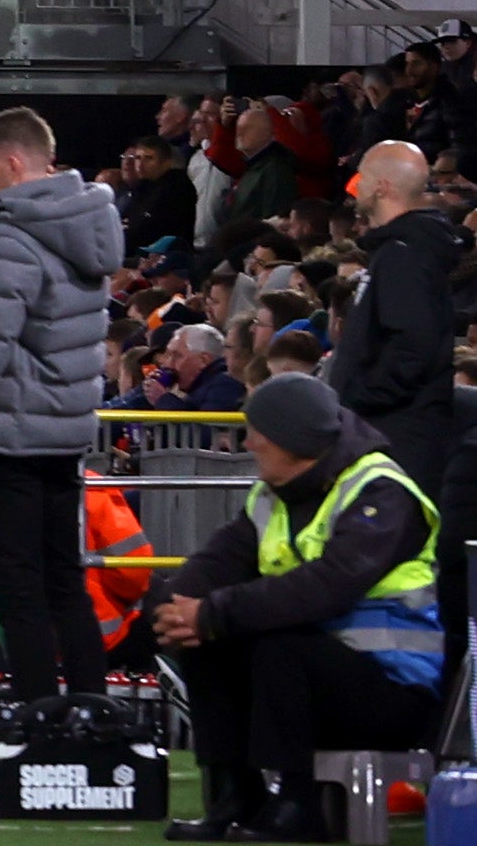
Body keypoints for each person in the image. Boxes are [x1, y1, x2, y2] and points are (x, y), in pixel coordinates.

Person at [152, 374, 445, 842]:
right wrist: (174, 607)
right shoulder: (274, 493)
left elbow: (326, 588)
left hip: (393, 688)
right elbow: (218, 560)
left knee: (277, 646)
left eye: (257, 435)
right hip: (319, 678)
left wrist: (210, 612)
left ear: (294, 442)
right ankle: (235, 795)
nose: (248, 444)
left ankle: (297, 804)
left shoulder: (382, 492)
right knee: (209, 639)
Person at [0, 100, 128, 763]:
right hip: (63, 433)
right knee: (63, 582)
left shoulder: (8, 239)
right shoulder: (86, 231)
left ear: (12, 162)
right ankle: (91, 720)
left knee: (18, 587)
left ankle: (43, 731)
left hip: (7, 436)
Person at [326, 140, 462, 554]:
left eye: (362, 176)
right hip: (390, 433)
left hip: (398, 438)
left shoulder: (406, 255)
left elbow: (412, 347)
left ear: (383, 186)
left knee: (393, 557)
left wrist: (361, 398)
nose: (356, 186)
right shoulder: (397, 251)